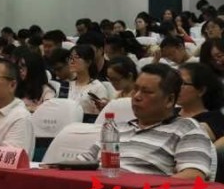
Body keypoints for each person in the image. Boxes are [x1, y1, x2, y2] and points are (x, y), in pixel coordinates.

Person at [79, 63, 216, 180]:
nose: (136, 97)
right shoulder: (117, 129)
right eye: (136, 90)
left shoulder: (187, 129)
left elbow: (194, 175)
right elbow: (81, 163)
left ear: (169, 100)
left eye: (147, 92)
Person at [177, 63, 224, 145]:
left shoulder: (214, 120)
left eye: (183, 84)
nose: (176, 88)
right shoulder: (168, 112)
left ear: (201, 90)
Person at [67, 44, 108, 115]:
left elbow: (101, 114)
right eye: (70, 58)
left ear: (88, 62)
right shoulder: (66, 85)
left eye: (76, 57)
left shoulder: (97, 87)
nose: (72, 61)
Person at [12, 47, 55, 113]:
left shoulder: (46, 91)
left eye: (23, 66)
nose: (20, 70)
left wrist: (25, 108)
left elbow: (48, 110)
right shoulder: (17, 86)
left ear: (33, 69)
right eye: (19, 67)